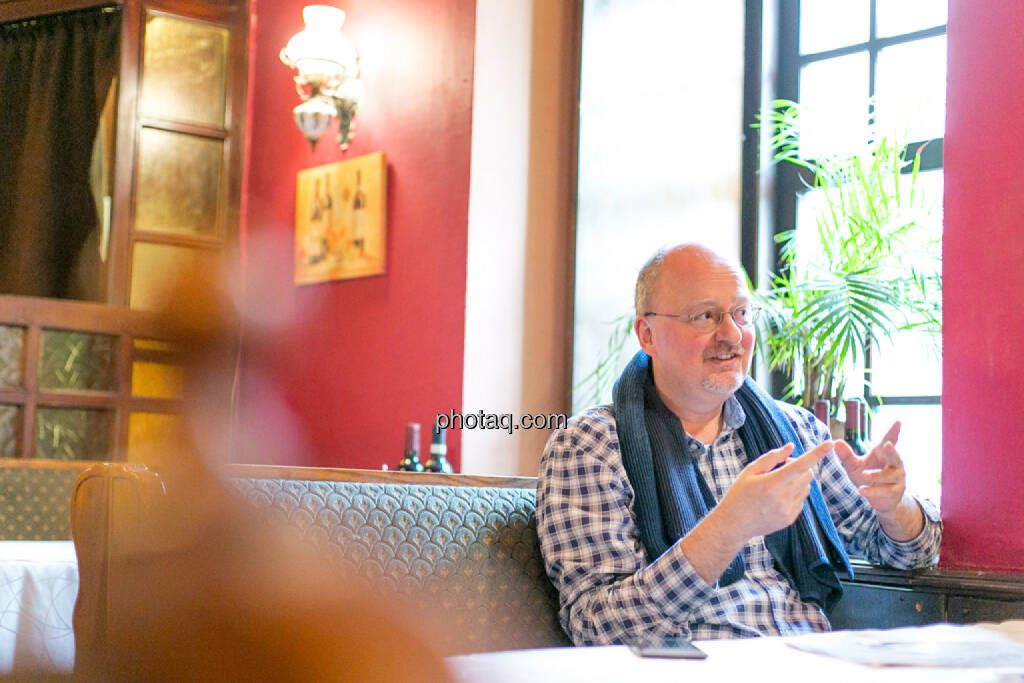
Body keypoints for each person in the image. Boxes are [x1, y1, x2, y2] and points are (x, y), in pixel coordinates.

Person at [536, 243, 941, 645]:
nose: (732, 335)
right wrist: (728, 528)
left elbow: (910, 553)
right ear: (648, 335)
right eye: (705, 316)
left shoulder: (795, 431)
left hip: (811, 661)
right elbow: (596, 628)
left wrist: (893, 507)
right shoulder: (592, 445)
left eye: (742, 314)